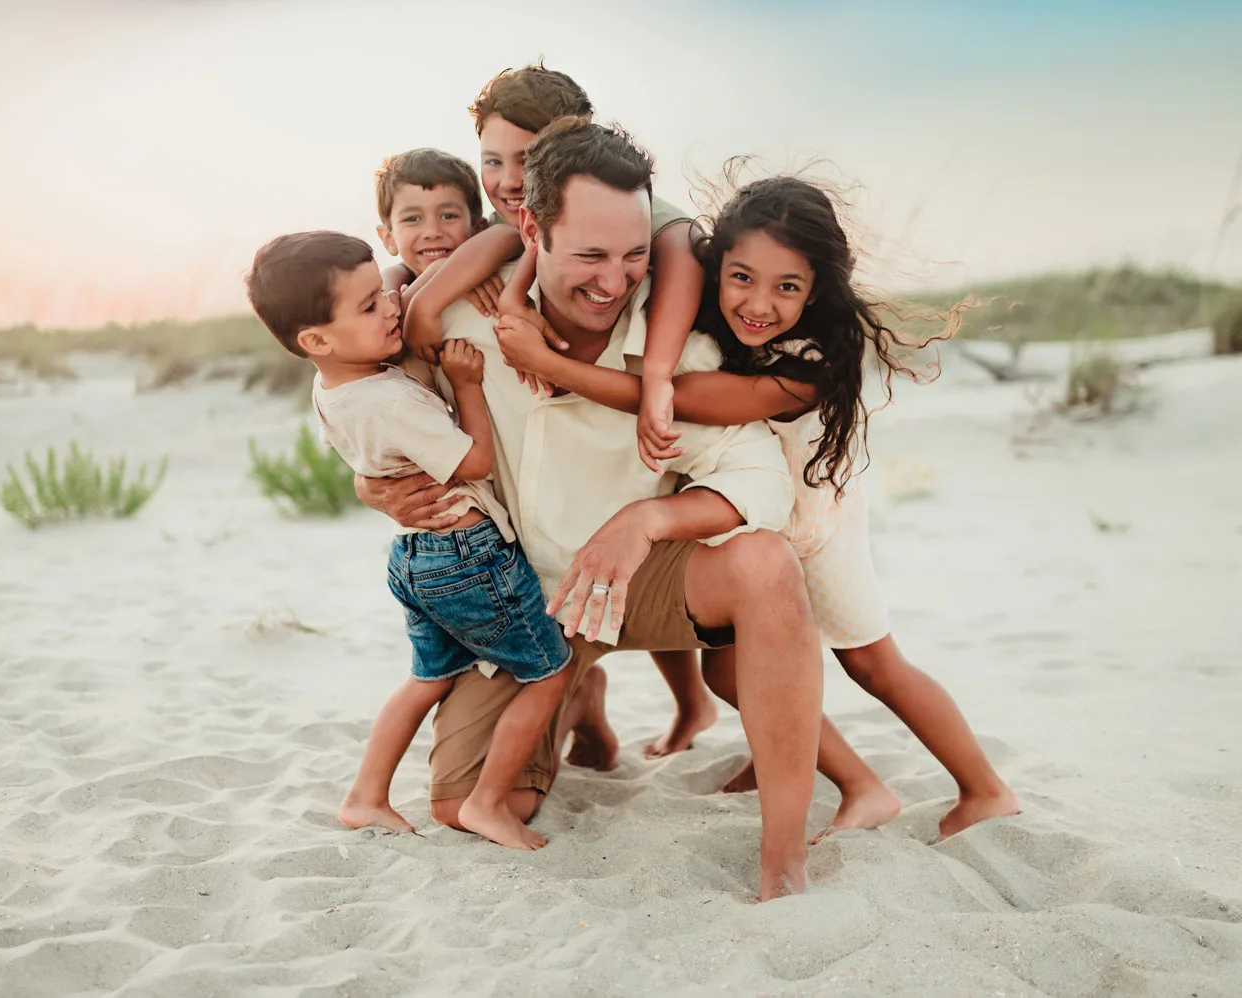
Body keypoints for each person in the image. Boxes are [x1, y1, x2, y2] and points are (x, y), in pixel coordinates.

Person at [356, 119, 824, 900]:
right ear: (530, 230)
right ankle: (575, 702)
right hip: (521, 603)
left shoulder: (678, 346)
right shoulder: (461, 329)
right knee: (464, 804)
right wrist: (370, 486)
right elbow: (361, 401)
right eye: (592, 256)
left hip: (637, 583)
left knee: (765, 564)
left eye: (635, 254)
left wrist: (648, 521)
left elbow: (759, 480)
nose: (616, 281)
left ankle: (785, 861)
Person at [495, 175, 1020, 840]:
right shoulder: (707, 305)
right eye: (741, 277)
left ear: (818, 288)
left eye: (787, 287)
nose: (760, 304)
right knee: (729, 664)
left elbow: (686, 398)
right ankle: (831, 772)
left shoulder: (810, 360)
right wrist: (514, 288)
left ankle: (982, 788)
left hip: (809, 519)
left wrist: (550, 364)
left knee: (871, 661)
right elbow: (664, 231)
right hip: (741, 504)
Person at [398, 61, 720, 759]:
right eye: (493, 160)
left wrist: (655, 374)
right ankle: (591, 700)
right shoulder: (497, 226)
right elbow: (482, 245)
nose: (511, 177)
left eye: (528, 157)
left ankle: (691, 700)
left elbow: (681, 249)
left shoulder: (627, 213)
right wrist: (438, 296)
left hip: (630, 483)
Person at [245, 231, 573, 851]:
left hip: (412, 559)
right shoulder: (391, 397)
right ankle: (487, 802)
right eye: (370, 306)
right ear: (315, 339)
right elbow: (473, 461)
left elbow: (394, 290)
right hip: (469, 557)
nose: (393, 305)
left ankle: (365, 795)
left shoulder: (332, 386)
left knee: (428, 678)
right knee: (550, 673)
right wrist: (467, 384)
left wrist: (392, 292)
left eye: (384, 293)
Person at [372, 147, 504, 319]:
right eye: (412, 219)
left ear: (478, 229)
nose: (432, 232)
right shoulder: (391, 304)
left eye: (448, 216)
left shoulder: (498, 280)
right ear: (388, 239)